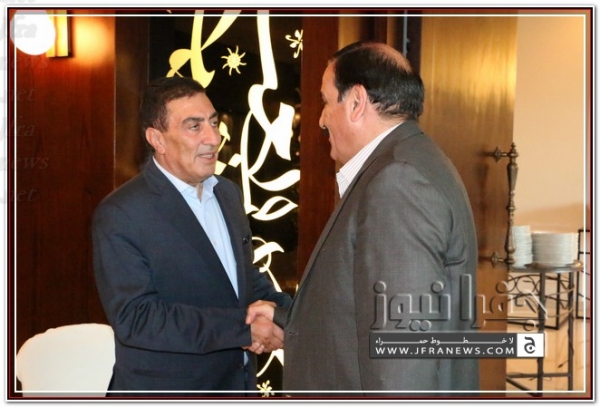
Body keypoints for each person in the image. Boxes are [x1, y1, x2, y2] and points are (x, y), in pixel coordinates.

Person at [250, 41, 479, 396]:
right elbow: (364, 306)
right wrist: (286, 319)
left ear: (356, 102)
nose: (321, 119)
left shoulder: (397, 182)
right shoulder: (410, 161)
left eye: (326, 102)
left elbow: (402, 357)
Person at [92, 76, 291, 397]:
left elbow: (241, 280)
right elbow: (136, 318)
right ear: (157, 139)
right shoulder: (122, 212)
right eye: (194, 126)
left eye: (213, 122)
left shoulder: (227, 193)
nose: (213, 137)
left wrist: (287, 315)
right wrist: (243, 329)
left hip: (237, 387)